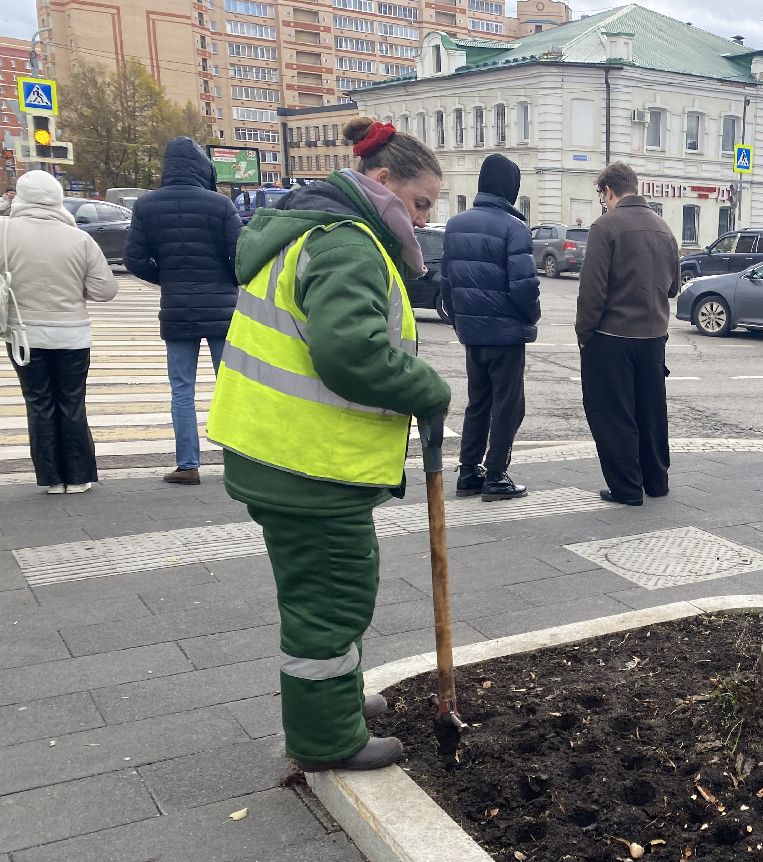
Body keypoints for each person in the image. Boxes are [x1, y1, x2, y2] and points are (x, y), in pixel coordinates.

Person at [206, 116, 451, 771]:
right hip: (305, 463)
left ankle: (335, 698)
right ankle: (326, 737)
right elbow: (350, 354)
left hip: (279, 453)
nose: (425, 220)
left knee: (318, 590)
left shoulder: (311, 229)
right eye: (421, 202)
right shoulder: (347, 244)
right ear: (381, 181)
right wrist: (428, 388)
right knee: (333, 596)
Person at [124, 137, 242, 486]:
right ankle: (237, 461)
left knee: (182, 389)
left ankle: (188, 464)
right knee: (230, 386)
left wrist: (168, 279)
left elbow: (133, 259)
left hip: (176, 311)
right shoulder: (220, 206)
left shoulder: (146, 206)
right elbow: (241, 257)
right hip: (222, 310)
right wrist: (227, 281)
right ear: (202, 168)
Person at [2, 170, 118, 493]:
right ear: (57, 198)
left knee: (38, 404)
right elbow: (106, 290)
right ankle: (79, 477)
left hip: (23, 336)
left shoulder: (4, 231)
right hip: (72, 335)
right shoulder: (78, 238)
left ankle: (51, 479)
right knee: (72, 403)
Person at [575, 161, 680, 506]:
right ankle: (656, 481)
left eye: (600, 194)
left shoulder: (605, 227)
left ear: (608, 191)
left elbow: (593, 291)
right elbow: (673, 289)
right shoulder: (665, 228)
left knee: (613, 413)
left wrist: (584, 334)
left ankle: (626, 487)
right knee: (651, 411)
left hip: (612, 337)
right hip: (654, 338)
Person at [441, 152, 540, 500]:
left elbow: (447, 284)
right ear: (511, 187)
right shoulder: (515, 228)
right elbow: (524, 286)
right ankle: (497, 475)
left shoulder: (455, 225)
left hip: (472, 333)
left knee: (478, 402)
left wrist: (460, 322)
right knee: (508, 405)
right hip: (506, 334)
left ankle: (468, 471)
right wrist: (531, 317)